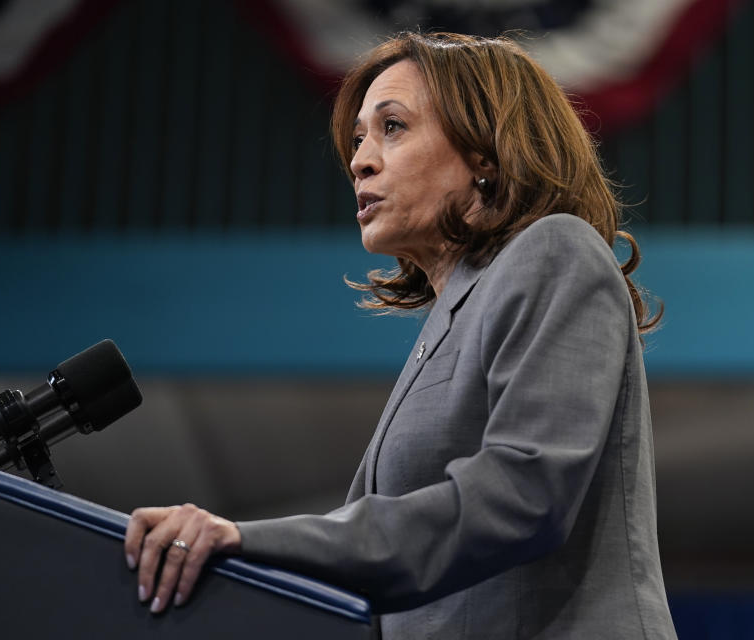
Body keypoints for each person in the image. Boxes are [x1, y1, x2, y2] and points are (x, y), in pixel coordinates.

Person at [125, 32, 676, 639]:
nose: (360, 159)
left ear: (485, 154)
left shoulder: (555, 250)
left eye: (392, 127)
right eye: (359, 138)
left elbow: (523, 494)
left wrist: (250, 543)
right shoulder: (446, 322)